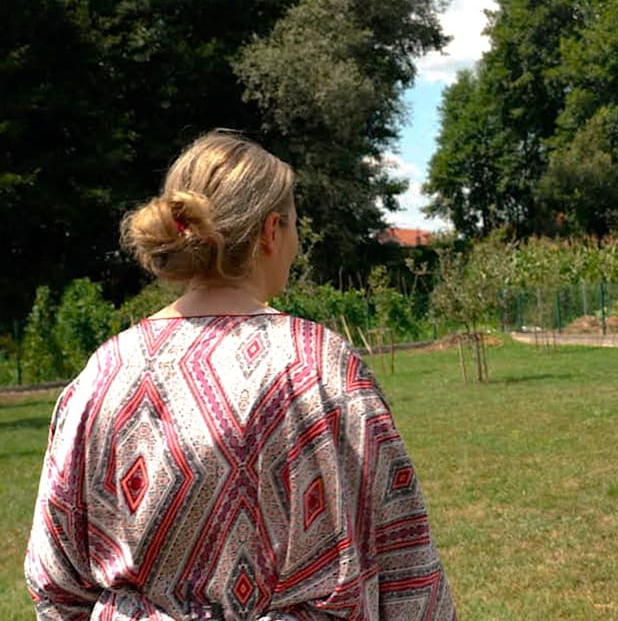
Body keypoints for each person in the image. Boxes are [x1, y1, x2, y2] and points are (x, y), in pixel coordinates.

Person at [25, 131, 457, 621]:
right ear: (272, 231)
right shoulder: (317, 366)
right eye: (294, 226)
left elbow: (55, 581)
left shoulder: (105, 372)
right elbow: (404, 561)